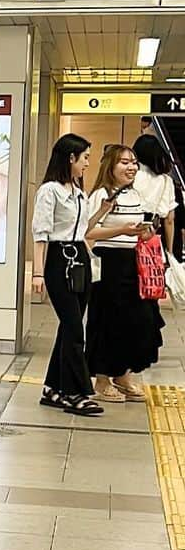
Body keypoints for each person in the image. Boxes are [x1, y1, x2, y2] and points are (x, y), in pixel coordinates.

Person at [31, 134, 119, 416]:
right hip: (59, 259)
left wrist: (102, 212)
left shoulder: (78, 192)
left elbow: (83, 230)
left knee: (69, 326)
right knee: (73, 328)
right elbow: (41, 233)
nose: (87, 164)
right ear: (70, 158)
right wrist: (38, 272)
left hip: (79, 257)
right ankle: (74, 392)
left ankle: (52, 388)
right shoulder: (50, 191)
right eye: (85, 158)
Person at [86, 144, 163, 401]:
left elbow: (138, 230)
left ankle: (123, 374)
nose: (131, 168)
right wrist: (120, 231)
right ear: (111, 166)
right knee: (109, 320)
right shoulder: (101, 195)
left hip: (135, 263)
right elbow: (86, 231)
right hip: (109, 263)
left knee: (138, 320)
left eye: (133, 162)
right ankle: (102, 379)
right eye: (124, 163)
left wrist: (145, 232)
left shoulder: (136, 195)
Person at [133, 133, 176, 256]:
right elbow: (169, 219)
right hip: (153, 235)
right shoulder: (166, 180)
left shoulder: (132, 176)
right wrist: (170, 252)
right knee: (149, 272)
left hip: (129, 232)